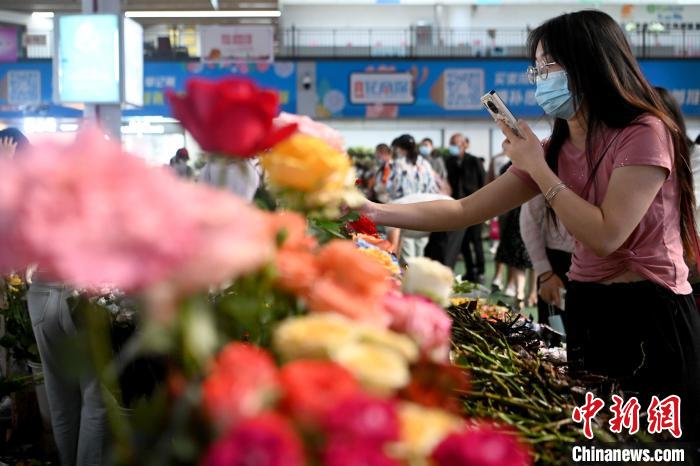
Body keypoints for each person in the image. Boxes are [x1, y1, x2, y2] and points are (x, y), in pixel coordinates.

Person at [362, 10, 700, 440]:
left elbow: (606, 235)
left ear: (590, 63)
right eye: (536, 69)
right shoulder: (552, 148)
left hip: (650, 312)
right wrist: (374, 211)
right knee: (602, 441)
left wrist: (538, 168)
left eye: (549, 66)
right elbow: (463, 210)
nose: (540, 79)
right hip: (589, 307)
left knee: (659, 444)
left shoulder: (643, 132)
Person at [375, 134, 439, 258]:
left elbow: (391, 188)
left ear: (399, 148)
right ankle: (418, 270)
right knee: (421, 251)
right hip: (425, 211)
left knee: (407, 254)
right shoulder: (425, 164)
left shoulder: (398, 164)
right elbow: (433, 187)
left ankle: (408, 270)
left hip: (405, 212)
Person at [520, 193, 575, 330]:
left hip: (598, 263)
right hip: (556, 263)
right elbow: (529, 220)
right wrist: (544, 272)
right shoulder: (550, 179)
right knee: (552, 331)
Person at [445, 133, 486, 283]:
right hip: (456, 206)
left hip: (475, 205)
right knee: (462, 241)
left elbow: (484, 182)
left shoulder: (474, 161)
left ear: (464, 144)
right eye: (451, 143)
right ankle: (470, 271)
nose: (453, 146)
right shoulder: (449, 161)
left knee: (476, 239)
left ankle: (480, 271)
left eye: (455, 143)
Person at [493, 161, 532, 307]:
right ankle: (525, 291)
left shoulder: (513, 166)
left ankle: (520, 291)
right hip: (519, 215)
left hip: (518, 215)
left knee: (518, 256)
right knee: (521, 256)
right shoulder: (509, 166)